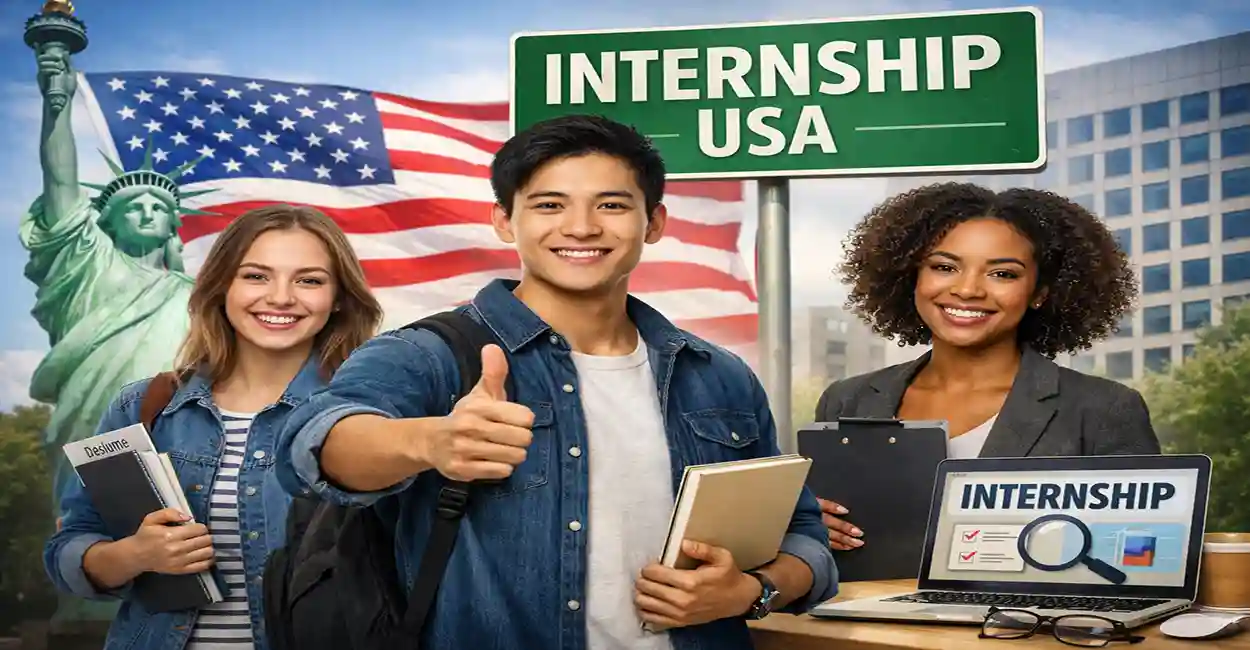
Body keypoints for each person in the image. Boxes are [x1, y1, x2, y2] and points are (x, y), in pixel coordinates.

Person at [274, 114, 837, 650]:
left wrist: (750, 591)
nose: (582, 227)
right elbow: (311, 444)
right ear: (504, 220)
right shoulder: (430, 353)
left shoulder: (718, 375)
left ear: (654, 222)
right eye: (549, 204)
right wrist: (429, 441)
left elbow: (804, 535)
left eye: (612, 204)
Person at [43, 205, 383, 649]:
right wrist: (133, 555)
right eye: (256, 276)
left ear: (338, 298)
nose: (281, 297)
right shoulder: (142, 406)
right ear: (222, 286)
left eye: (309, 281)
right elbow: (69, 546)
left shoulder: (370, 415)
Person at [813, 182, 1161, 551]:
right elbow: (814, 539)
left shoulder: (1103, 409)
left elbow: (1139, 550)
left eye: (1002, 274)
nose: (968, 290)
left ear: (1040, 293)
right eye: (944, 267)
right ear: (911, 278)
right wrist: (808, 526)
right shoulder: (847, 400)